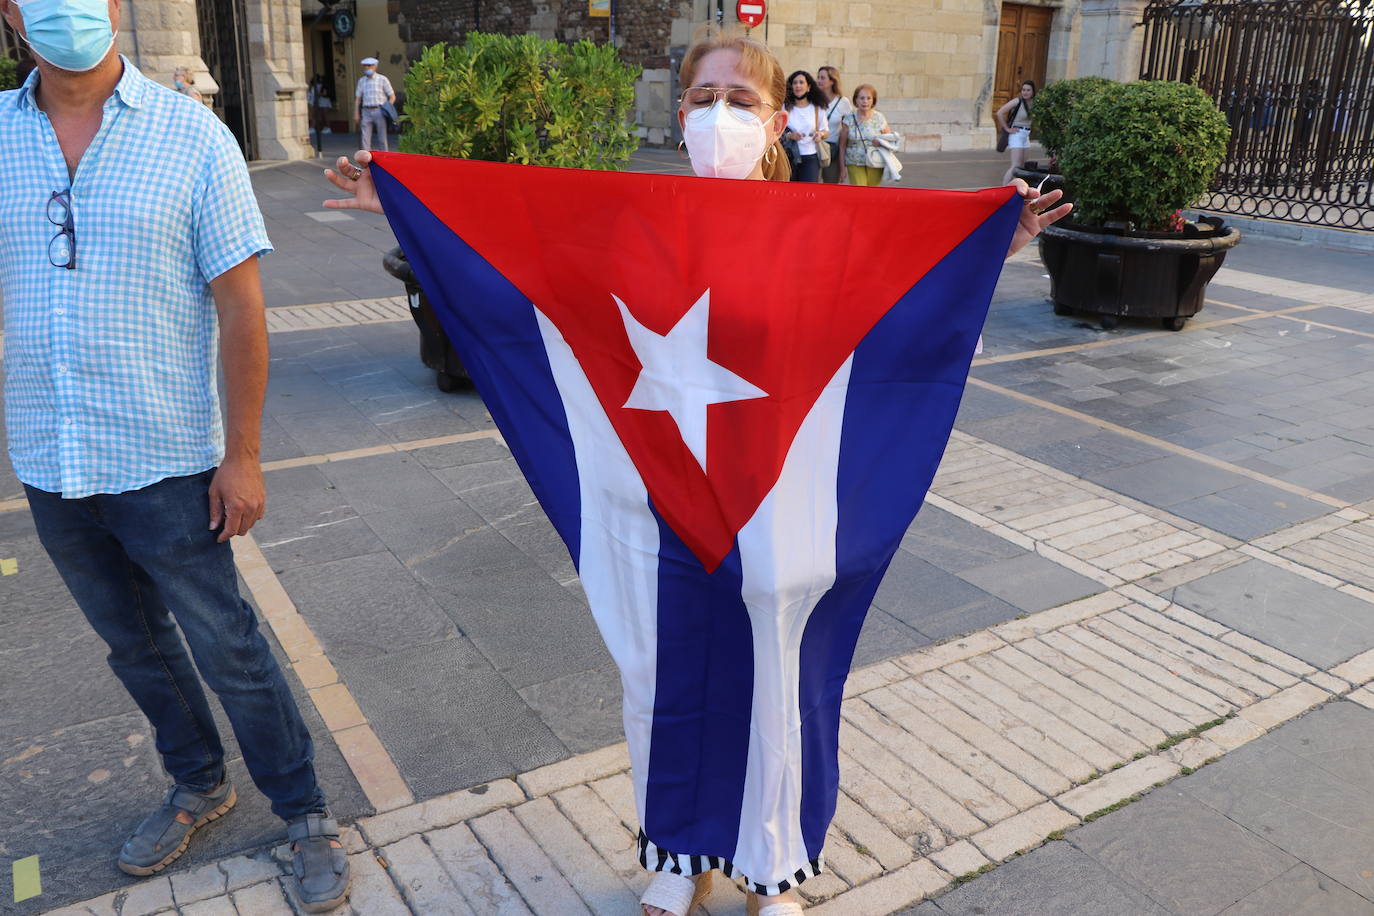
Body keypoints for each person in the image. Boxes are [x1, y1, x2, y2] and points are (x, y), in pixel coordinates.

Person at [322, 28, 1068, 916]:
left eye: (741, 101)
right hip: (656, 498)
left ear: (779, 121)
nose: (721, 117)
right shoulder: (629, 220)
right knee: (665, 677)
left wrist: (993, 246)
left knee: (780, 678)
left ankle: (770, 865)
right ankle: (678, 852)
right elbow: (520, 258)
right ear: (681, 121)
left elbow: (904, 308)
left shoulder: (824, 225)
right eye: (703, 100)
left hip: (778, 500)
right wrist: (406, 206)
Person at [0, 1, 349, 912]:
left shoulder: (192, 137)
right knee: (133, 647)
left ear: (116, 7)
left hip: (167, 458)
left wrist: (245, 456)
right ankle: (198, 783)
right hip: (51, 456)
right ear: (9, 12)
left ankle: (304, 811)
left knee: (229, 643)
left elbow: (241, 306)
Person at [838, 83, 892, 186]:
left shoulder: (879, 118)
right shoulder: (848, 119)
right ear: (856, 100)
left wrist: (880, 142)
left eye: (868, 98)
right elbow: (842, 146)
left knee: (873, 193)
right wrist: (842, 169)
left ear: (873, 100)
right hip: (854, 161)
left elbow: (889, 140)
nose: (865, 101)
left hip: (875, 161)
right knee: (859, 191)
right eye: (862, 98)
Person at [783, 69, 827, 182]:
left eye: (801, 82)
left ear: (808, 87)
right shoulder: (784, 108)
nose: (798, 85)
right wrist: (789, 135)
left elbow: (826, 131)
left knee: (808, 191)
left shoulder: (818, 108)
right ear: (791, 87)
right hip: (789, 156)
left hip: (811, 156)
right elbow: (777, 130)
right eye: (795, 83)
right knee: (789, 191)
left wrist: (820, 135)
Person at [816, 65, 851, 184]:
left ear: (832, 81)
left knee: (830, 182)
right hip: (814, 145)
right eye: (818, 77)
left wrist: (843, 164)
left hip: (832, 148)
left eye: (822, 78)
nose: (819, 80)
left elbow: (848, 127)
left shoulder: (843, 102)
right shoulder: (813, 100)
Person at [997, 80, 1035, 185]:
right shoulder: (1017, 101)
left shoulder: (1034, 103)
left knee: (1022, 165)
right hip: (1016, 134)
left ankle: (1014, 188)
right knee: (1016, 165)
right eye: (1023, 90)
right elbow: (999, 113)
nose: (1025, 92)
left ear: (1033, 92)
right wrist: (1007, 129)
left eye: (1028, 90)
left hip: (1026, 135)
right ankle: (1004, 188)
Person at [354, 56, 394, 152]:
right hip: (366, 111)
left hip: (379, 110)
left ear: (375, 66)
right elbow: (358, 98)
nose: (367, 68)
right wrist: (356, 113)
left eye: (369, 65)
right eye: (365, 66)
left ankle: (385, 158)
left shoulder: (382, 79)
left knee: (382, 137)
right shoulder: (361, 81)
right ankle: (366, 160)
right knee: (365, 138)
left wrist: (388, 108)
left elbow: (392, 96)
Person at [307, 73, 332, 152]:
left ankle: (327, 127)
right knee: (320, 115)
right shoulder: (318, 86)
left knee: (323, 115)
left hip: (323, 101)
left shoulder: (322, 86)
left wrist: (318, 94)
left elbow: (323, 93)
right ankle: (323, 127)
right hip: (320, 101)